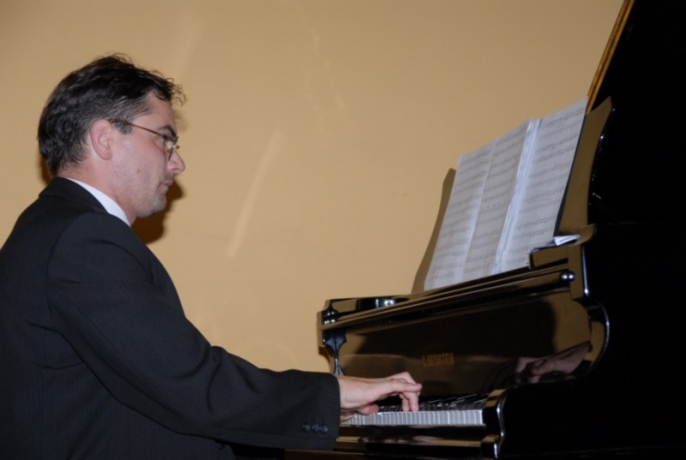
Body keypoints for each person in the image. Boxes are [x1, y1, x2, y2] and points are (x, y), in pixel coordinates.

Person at [0, 54, 421, 459]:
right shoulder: (83, 238)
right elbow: (190, 383)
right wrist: (332, 394)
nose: (177, 163)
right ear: (105, 138)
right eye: (164, 139)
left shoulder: (50, 229)